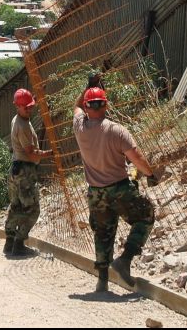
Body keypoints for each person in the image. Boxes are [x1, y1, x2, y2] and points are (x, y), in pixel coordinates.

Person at [73, 73, 157, 292]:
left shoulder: (79, 127)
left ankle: (102, 281)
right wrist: (149, 174)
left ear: (86, 106)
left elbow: (76, 107)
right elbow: (136, 157)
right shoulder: (116, 130)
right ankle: (125, 260)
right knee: (145, 217)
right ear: (106, 105)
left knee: (103, 233)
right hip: (120, 188)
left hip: (95, 193)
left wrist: (87, 87)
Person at [4, 88, 54, 257]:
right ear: (17, 106)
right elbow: (31, 153)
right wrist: (50, 153)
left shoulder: (17, 118)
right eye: (26, 107)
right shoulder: (23, 126)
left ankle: (9, 242)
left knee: (16, 207)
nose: (29, 109)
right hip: (25, 171)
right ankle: (19, 244)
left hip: (16, 169)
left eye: (31, 106)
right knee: (32, 210)